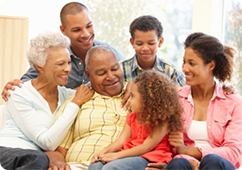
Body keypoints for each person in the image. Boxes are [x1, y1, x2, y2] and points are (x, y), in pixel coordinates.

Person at [146, 32, 242, 170]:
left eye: (192, 63)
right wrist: (178, 161)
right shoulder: (176, 99)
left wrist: (188, 151)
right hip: (185, 164)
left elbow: (232, 152)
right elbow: (166, 143)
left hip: (218, 166)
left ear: (211, 66)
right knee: (178, 164)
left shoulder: (234, 103)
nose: (184, 68)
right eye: (184, 62)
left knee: (212, 161)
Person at [0, 32, 94, 169]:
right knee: (39, 159)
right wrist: (75, 104)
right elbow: (47, 143)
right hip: (6, 153)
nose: (68, 69)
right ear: (39, 66)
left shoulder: (68, 95)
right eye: (60, 64)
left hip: (33, 162)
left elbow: (99, 86)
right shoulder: (17, 93)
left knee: (40, 161)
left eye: (68, 62)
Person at [2, 2, 126, 101]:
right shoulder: (55, 55)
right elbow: (25, 85)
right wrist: (13, 88)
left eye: (89, 26)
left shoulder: (108, 53)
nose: (86, 34)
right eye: (77, 30)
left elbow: (133, 75)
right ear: (63, 30)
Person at [45, 45, 128, 170]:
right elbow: (58, 150)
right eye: (101, 73)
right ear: (88, 75)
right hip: (79, 166)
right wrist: (57, 163)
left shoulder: (138, 95)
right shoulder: (76, 101)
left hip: (122, 165)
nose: (111, 77)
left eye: (115, 69)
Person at [88, 70, 184, 170]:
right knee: (94, 166)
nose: (128, 100)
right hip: (130, 155)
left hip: (150, 157)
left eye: (132, 96)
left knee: (111, 168)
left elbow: (146, 147)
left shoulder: (162, 122)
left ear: (147, 100)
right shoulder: (132, 117)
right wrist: (102, 153)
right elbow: (121, 141)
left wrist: (116, 156)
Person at [120, 15, 185, 87]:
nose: (145, 48)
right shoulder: (120, 70)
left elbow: (184, 96)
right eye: (139, 44)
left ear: (160, 42)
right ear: (132, 43)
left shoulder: (171, 72)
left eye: (151, 43)